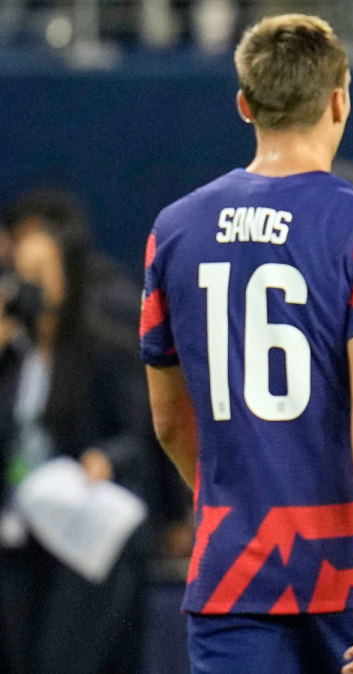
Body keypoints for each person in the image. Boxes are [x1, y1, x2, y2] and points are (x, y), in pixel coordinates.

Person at [140, 15, 353, 674]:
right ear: (339, 101)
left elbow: (169, 420)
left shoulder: (174, 230)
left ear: (244, 105)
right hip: (352, 562)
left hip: (235, 569)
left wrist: (235, 511)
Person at [0, 189, 154, 674]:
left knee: (60, 658)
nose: (32, 286)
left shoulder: (101, 348)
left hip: (80, 529)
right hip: (20, 533)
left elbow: (139, 436)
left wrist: (105, 458)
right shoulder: (13, 358)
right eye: (22, 274)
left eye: (41, 272)